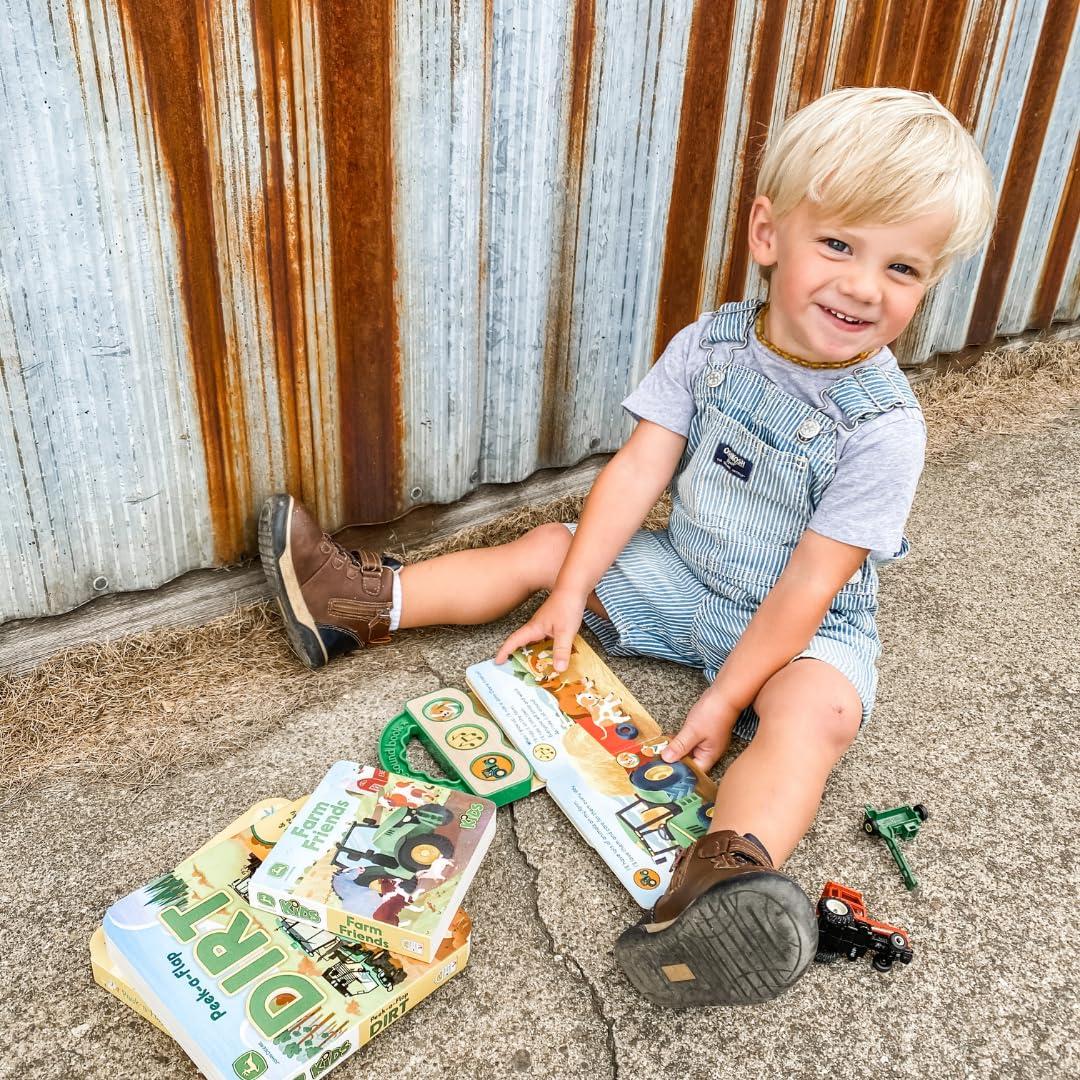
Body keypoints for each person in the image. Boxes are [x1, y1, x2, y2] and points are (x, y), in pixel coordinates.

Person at [258, 87, 995, 1007]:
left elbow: (813, 582)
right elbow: (641, 471)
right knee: (550, 547)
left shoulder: (884, 428)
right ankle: (359, 602)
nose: (862, 286)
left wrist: (729, 698)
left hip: (804, 629)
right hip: (682, 580)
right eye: (839, 245)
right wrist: (571, 588)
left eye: (903, 268)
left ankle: (722, 877)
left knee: (817, 715)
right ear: (769, 234)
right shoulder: (713, 346)